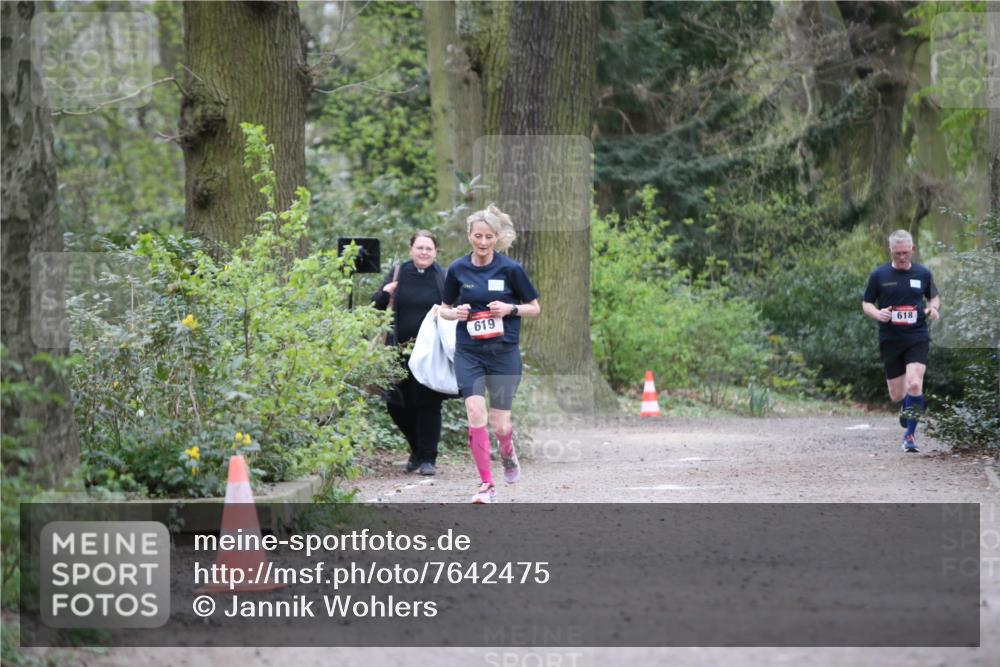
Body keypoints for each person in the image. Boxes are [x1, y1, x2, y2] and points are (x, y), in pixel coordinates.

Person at [439, 204, 540, 503]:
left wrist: (510, 308)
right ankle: (486, 484)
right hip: (469, 352)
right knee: (474, 412)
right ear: (469, 235)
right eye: (478, 236)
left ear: (497, 238)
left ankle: (507, 450)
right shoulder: (457, 269)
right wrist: (455, 312)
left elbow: (535, 307)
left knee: (500, 423)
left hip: (503, 353)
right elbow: (443, 310)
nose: (483, 243)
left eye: (489, 237)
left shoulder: (511, 269)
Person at [372, 231, 450, 475]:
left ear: (435, 252)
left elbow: (455, 310)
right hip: (397, 352)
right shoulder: (398, 274)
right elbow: (375, 306)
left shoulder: (443, 277)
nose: (424, 252)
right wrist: (385, 292)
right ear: (411, 249)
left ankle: (428, 458)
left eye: (429, 248)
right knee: (396, 404)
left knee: (428, 404)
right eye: (420, 248)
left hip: (430, 353)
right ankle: (416, 449)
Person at [862, 229, 941, 453]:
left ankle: (910, 436)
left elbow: (934, 296)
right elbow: (866, 303)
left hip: (917, 335)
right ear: (890, 251)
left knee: (915, 383)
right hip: (891, 338)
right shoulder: (879, 275)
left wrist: (933, 309)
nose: (902, 257)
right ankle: (907, 407)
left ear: (912, 250)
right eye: (897, 253)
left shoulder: (923, 273)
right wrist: (878, 314)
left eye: (905, 253)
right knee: (897, 394)